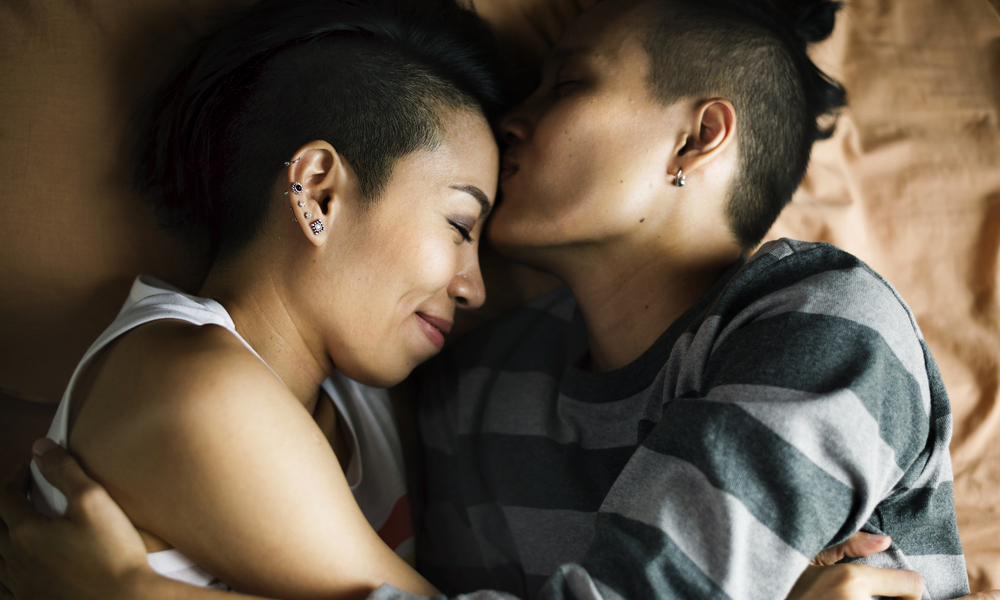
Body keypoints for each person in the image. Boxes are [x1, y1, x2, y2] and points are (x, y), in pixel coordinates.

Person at [0, 0, 985, 599]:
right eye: (458, 223)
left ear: (693, 142)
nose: (469, 285)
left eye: (565, 83)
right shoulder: (440, 384)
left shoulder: (815, 334)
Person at [4, 0, 504, 597]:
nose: (473, 286)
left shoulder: (361, 399)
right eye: (459, 225)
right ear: (317, 194)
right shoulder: (196, 386)